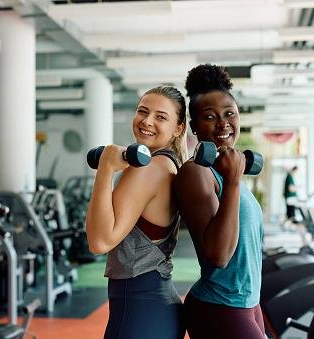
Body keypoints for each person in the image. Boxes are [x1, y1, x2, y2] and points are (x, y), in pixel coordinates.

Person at [85, 85, 188, 339]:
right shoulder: (169, 164)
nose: (147, 121)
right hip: (155, 307)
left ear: (179, 128)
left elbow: (99, 241)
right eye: (142, 111)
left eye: (161, 117)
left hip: (139, 310)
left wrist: (106, 170)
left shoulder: (149, 168)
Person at [174, 64, 265, 339]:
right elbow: (219, 255)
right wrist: (235, 181)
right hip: (219, 307)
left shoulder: (226, 168)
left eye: (229, 113)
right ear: (194, 127)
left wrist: (234, 178)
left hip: (248, 302)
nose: (223, 123)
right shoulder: (195, 172)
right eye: (210, 116)